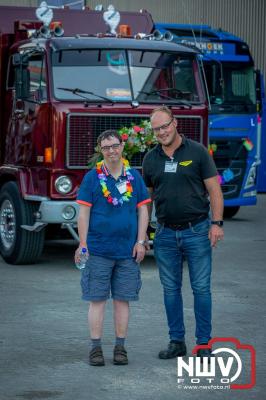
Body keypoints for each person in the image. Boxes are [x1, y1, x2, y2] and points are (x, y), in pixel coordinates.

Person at [142, 106, 224, 361]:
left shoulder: (197, 152)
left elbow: (214, 190)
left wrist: (216, 223)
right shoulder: (150, 159)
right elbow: (147, 201)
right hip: (165, 235)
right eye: (156, 129)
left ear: (175, 123)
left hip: (197, 231)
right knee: (170, 290)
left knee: (201, 289)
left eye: (165, 126)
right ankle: (177, 342)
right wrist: (143, 233)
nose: (162, 132)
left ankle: (203, 343)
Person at [75, 129, 151, 367]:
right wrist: (83, 243)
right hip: (98, 250)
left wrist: (141, 241)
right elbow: (84, 212)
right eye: (106, 147)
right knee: (97, 300)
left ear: (122, 147)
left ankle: (120, 347)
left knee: (122, 300)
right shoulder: (92, 178)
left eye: (115, 145)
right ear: (101, 150)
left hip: (127, 252)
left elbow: (144, 210)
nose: (111, 151)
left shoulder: (134, 177)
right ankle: (95, 348)